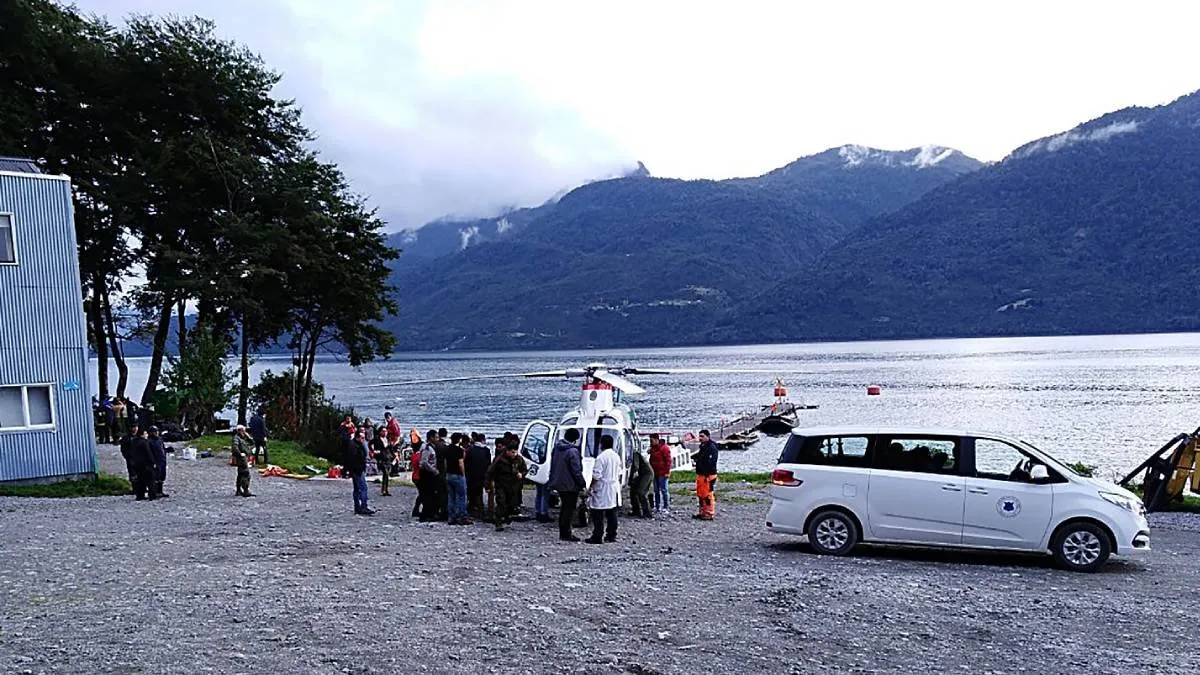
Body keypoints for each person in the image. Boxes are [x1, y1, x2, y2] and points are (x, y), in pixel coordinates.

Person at [547, 428, 585, 542]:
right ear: (575, 439)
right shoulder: (573, 451)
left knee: (564, 508)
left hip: (558, 482)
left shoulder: (557, 448)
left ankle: (563, 532)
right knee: (569, 509)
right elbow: (576, 470)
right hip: (570, 484)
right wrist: (582, 483)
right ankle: (566, 533)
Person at [486, 439, 528, 531]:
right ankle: (498, 523)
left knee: (511, 504)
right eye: (512, 452)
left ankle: (506, 515)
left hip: (513, 485)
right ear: (507, 451)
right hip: (501, 484)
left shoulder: (519, 459)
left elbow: (524, 469)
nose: (514, 454)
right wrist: (488, 485)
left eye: (515, 452)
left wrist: (522, 474)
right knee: (501, 502)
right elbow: (490, 472)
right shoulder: (500, 459)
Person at [586, 435, 621, 543]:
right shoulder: (616, 456)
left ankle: (597, 536)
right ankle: (611, 535)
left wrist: (590, 487)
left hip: (602, 487)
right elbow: (619, 472)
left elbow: (596, 476)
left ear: (601, 444)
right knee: (612, 512)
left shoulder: (601, 458)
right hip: (613, 486)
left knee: (597, 512)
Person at [345, 430, 374, 515]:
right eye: (362, 438)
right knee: (363, 488)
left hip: (356, 469)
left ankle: (357, 507)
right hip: (357, 470)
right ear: (357, 437)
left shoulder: (356, 444)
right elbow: (354, 459)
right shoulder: (354, 446)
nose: (363, 440)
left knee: (357, 489)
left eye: (364, 438)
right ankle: (363, 506)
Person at [443, 432, 470, 525]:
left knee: (451, 497)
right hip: (458, 475)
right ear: (459, 440)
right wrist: (463, 474)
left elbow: (445, 463)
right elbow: (460, 463)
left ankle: (451, 517)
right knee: (462, 496)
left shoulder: (447, 449)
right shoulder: (459, 450)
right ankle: (462, 516)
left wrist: (446, 472)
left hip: (449, 474)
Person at [693, 429, 719, 520]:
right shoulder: (703, 447)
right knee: (701, 494)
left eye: (702, 436)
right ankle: (702, 512)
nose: (700, 438)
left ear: (708, 436)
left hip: (708, 475)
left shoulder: (711, 448)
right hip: (701, 474)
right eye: (699, 436)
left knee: (707, 495)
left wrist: (707, 473)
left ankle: (709, 513)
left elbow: (711, 462)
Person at [465, 432, 492, 519]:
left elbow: (466, 463)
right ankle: (485, 511)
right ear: (483, 440)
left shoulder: (470, 450)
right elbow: (489, 463)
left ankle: (475, 509)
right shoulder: (486, 450)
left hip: (472, 474)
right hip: (483, 474)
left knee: (475, 492)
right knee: (484, 492)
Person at [418, 430, 442, 522]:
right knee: (428, 494)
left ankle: (429, 513)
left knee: (430, 494)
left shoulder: (431, 447)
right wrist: (434, 471)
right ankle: (426, 515)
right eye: (436, 437)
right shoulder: (427, 448)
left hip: (428, 472)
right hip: (427, 473)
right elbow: (424, 462)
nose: (437, 439)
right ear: (431, 438)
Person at [129, 428, 157, 501]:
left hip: (137, 464)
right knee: (150, 480)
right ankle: (152, 495)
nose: (146, 435)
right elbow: (148, 453)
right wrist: (153, 462)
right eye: (145, 433)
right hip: (146, 464)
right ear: (142, 434)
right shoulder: (144, 442)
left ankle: (140, 495)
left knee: (140, 480)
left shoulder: (134, 442)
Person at [649, 434, 673, 513]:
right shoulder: (653, 448)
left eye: (652, 440)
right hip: (655, 472)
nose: (651, 442)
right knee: (656, 490)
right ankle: (657, 506)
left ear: (656, 440)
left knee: (664, 490)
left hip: (663, 472)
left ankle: (666, 506)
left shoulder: (664, 448)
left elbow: (668, 461)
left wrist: (667, 471)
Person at [629, 441, 653, 518]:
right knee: (633, 491)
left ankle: (647, 512)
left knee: (641, 492)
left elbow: (636, 467)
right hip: (643, 474)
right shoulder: (634, 453)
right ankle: (636, 511)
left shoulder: (635, 454)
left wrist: (631, 477)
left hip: (647, 474)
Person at [231, 425, 254, 497]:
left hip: (244, 458)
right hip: (241, 459)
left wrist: (248, 436)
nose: (245, 432)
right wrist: (240, 454)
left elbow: (252, 442)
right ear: (240, 430)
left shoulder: (243, 438)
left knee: (240, 474)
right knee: (245, 474)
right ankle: (245, 490)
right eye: (244, 431)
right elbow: (235, 447)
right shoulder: (236, 438)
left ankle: (238, 490)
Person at [119, 423, 141, 494]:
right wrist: (128, 458)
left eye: (136, 427)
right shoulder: (126, 439)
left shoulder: (139, 437)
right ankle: (135, 488)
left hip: (140, 459)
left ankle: (141, 488)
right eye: (133, 427)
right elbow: (124, 450)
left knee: (141, 474)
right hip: (131, 459)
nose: (135, 429)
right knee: (133, 474)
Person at [147, 426, 169, 499]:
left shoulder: (160, 440)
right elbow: (149, 453)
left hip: (162, 460)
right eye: (154, 431)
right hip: (156, 461)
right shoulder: (149, 441)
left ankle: (160, 492)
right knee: (156, 477)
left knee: (162, 476)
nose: (156, 433)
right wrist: (152, 461)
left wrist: (167, 450)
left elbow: (163, 449)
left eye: (156, 431)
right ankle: (155, 492)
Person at [372, 425, 394, 496]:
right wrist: (374, 452)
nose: (385, 433)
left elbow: (391, 449)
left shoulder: (388, 439)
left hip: (388, 458)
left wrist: (394, 456)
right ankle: (383, 489)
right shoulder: (377, 439)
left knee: (387, 474)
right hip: (381, 458)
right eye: (383, 431)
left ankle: (386, 489)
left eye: (386, 431)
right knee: (385, 472)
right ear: (380, 432)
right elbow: (370, 444)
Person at [409, 439, 424, 518]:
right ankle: (417, 509)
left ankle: (416, 509)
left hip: (415, 476)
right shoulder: (419, 456)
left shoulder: (414, 455)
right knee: (422, 494)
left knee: (421, 494)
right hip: (419, 477)